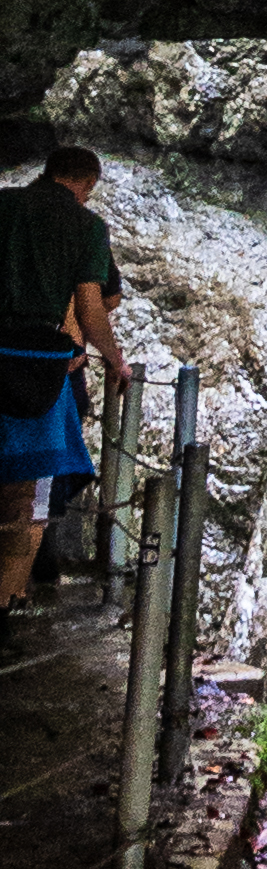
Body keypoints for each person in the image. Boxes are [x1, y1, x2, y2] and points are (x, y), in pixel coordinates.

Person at [0, 137, 129, 617]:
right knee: (27, 494)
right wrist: (115, 360)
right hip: (34, 367)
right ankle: (8, 598)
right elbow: (93, 308)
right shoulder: (85, 226)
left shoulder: (5, 204)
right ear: (87, 184)